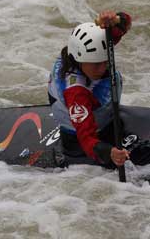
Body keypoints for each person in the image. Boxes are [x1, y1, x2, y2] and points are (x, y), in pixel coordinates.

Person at [48, 10, 132, 168]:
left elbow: (125, 22)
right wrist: (110, 153)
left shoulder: (90, 52)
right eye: (96, 64)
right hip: (78, 142)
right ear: (79, 59)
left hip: (105, 118)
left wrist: (115, 20)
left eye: (105, 61)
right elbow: (87, 139)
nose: (102, 68)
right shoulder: (76, 94)